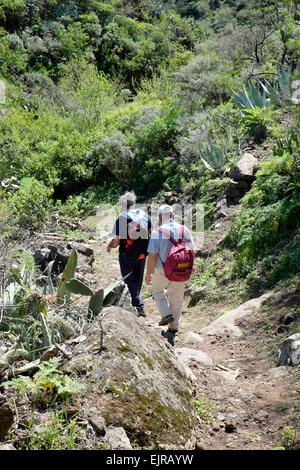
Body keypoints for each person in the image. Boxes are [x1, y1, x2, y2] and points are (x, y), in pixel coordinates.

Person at [145, 205, 194, 345]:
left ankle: (166, 314)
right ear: (173, 215)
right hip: (180, 269)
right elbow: (191, 250)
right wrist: (190, 266)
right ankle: (174, 328)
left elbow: (152, 256)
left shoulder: (157, 232)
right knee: (176, 297)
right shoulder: (185, 230)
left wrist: (148, 273)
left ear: (160, 217)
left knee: (157, 291)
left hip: (161, 271)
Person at [107, 192, 153, 317]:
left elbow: (116, 242)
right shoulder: (145, 216)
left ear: (122, 205)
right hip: (142, 255)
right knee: (137, 280)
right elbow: (153, 235)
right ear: (134, 204)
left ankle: (138, 304)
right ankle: (136, 303)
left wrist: (109, 246)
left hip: (126, 255)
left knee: (129, 279)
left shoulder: (121, 218)